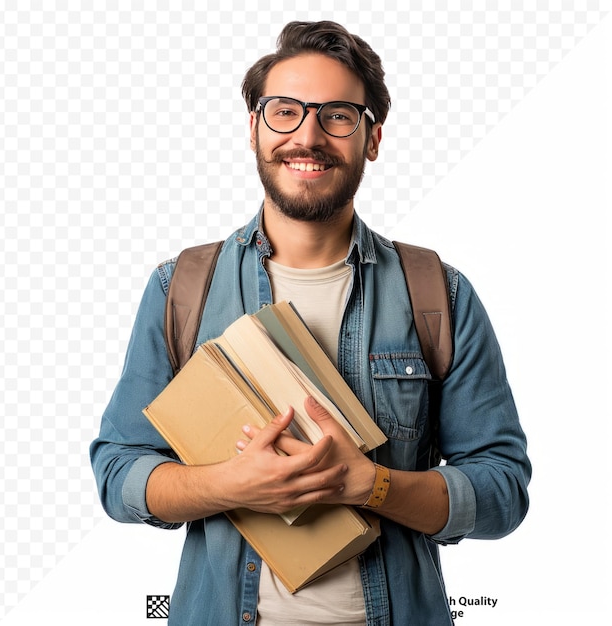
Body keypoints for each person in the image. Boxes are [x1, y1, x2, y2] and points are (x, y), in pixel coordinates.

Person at [90, 20, 531, 626]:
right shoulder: (181, 288)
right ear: (253, 129)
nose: (308, 135)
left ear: (372, 138)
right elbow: (117, 472)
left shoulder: (439, 293)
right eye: (285, 112)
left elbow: (503, 490)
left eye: (339, 116)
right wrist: (230, 485)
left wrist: (373, 486)